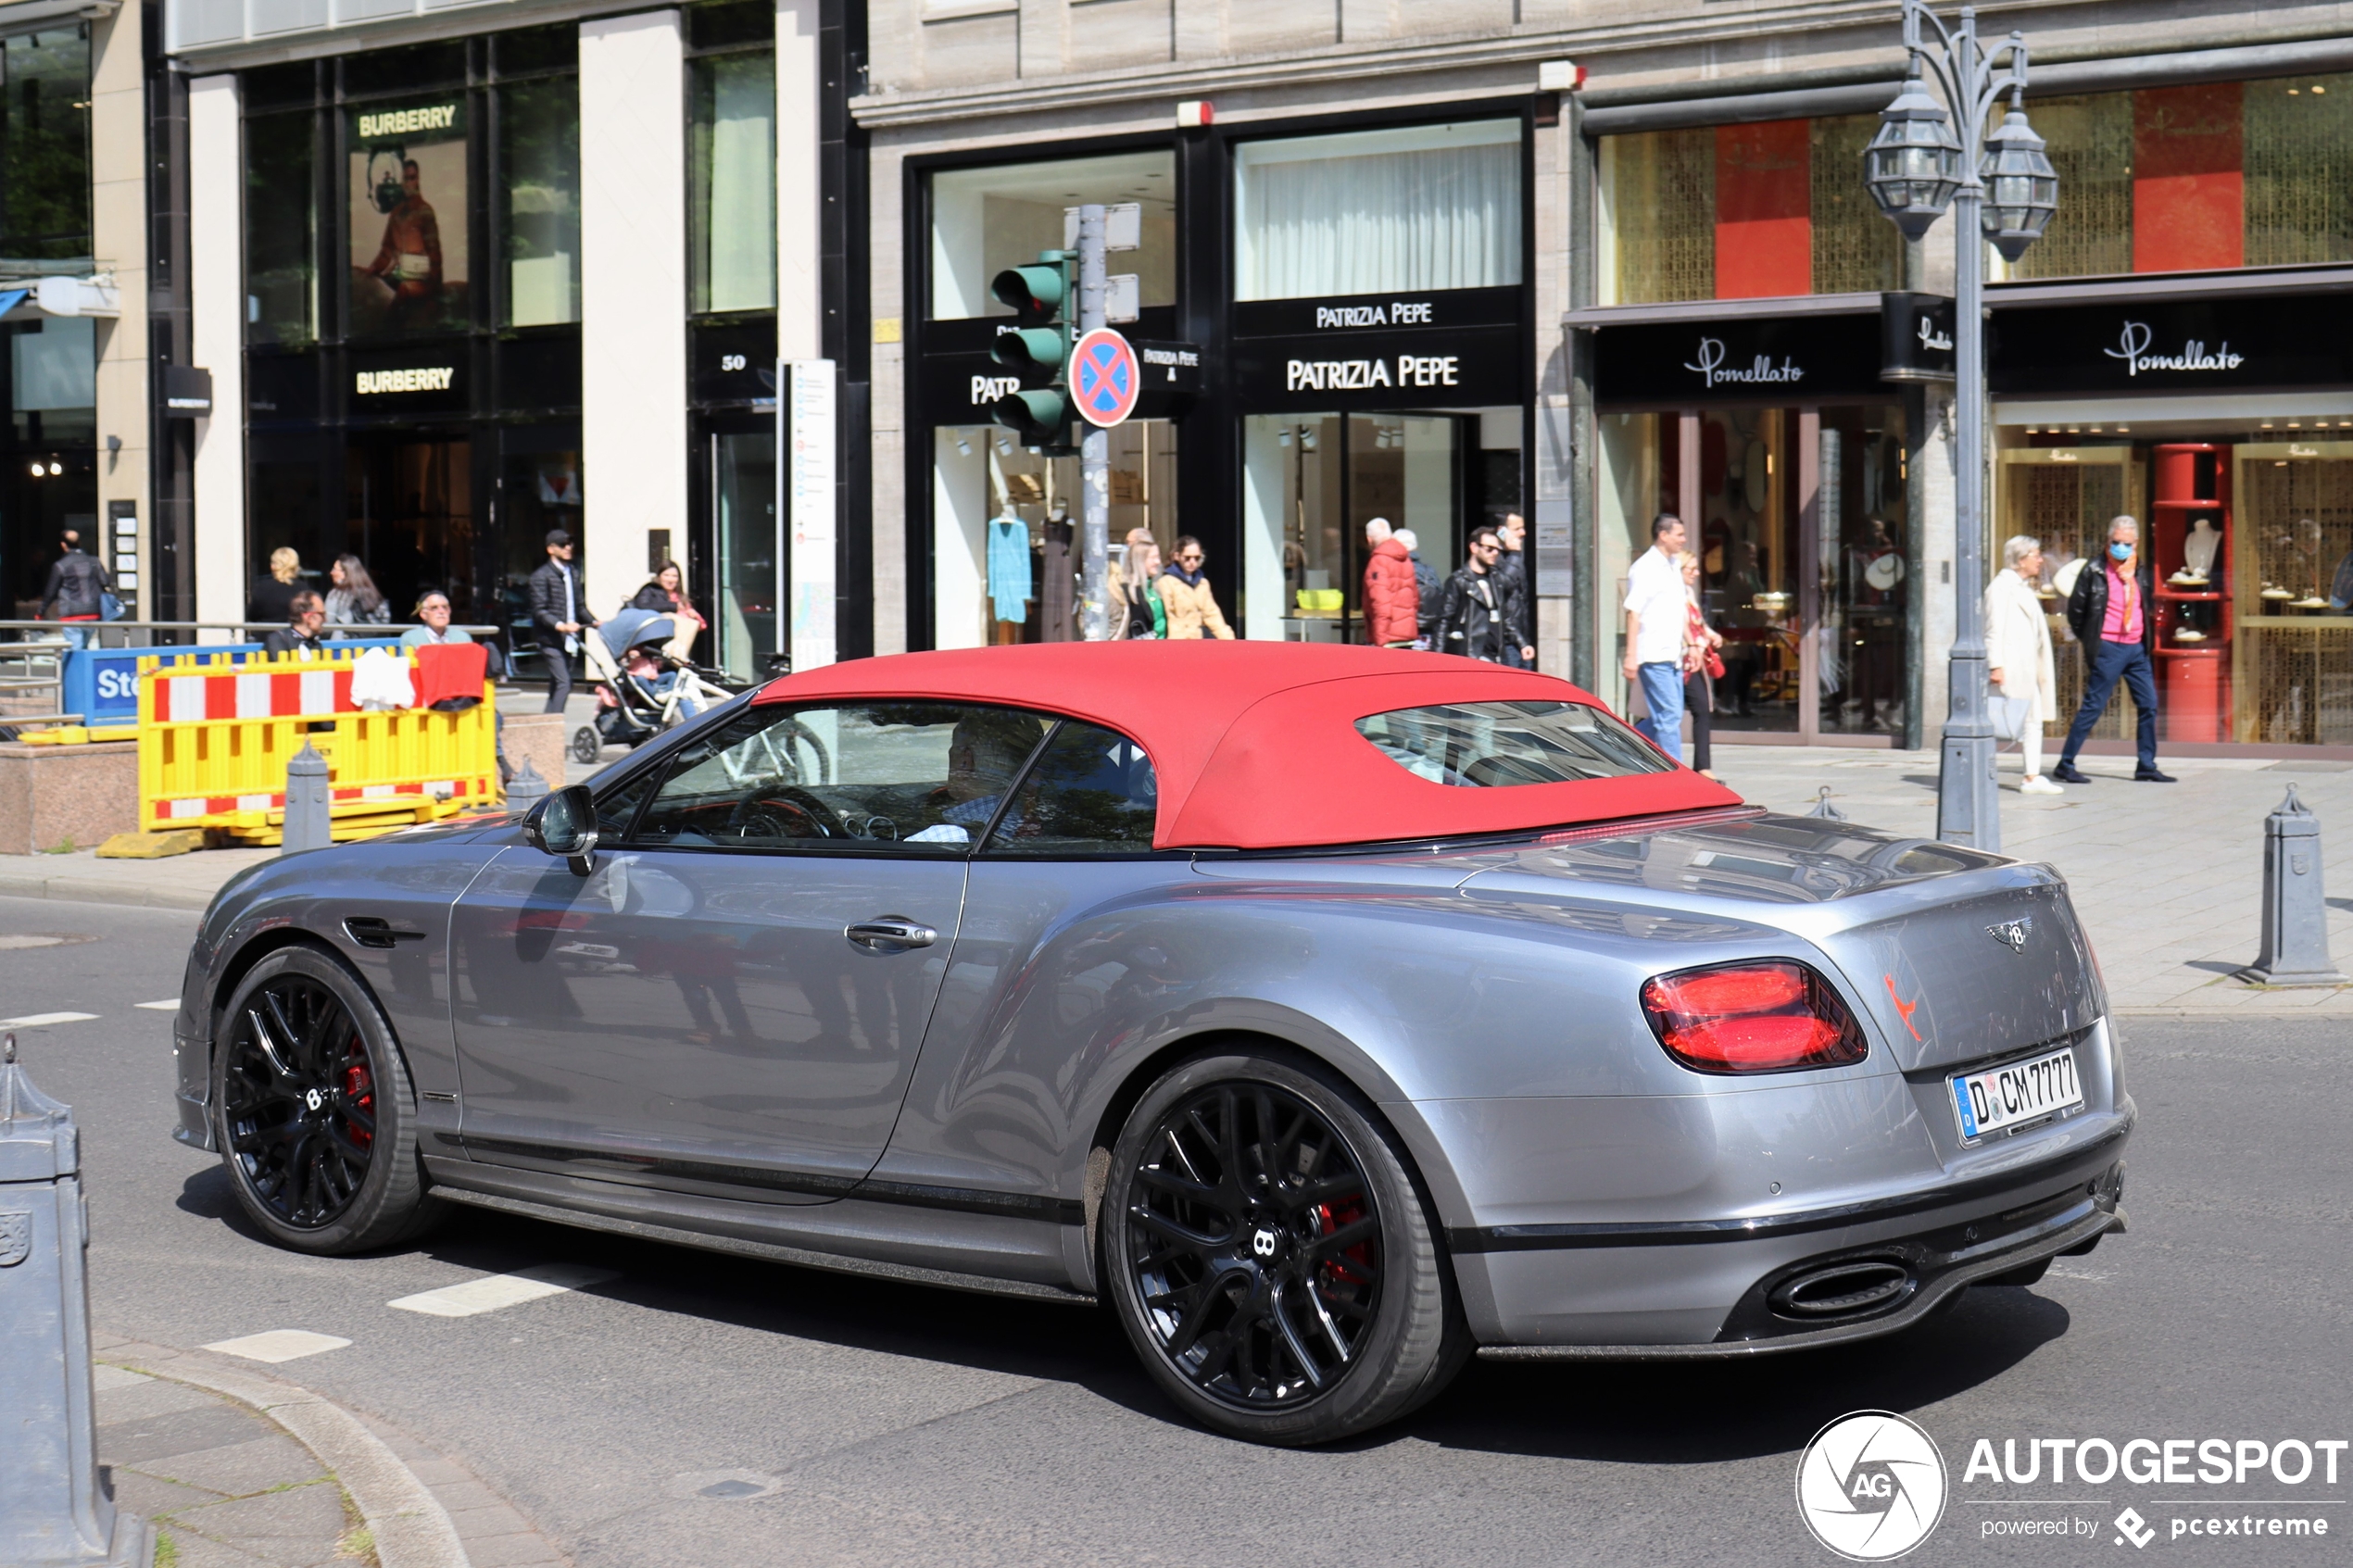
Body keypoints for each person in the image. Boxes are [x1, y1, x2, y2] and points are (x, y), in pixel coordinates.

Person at [2056, 515, 2172, 784]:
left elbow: (2145, 604)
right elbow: (2076, 611)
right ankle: (2066, 763)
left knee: (2149, 705)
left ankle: (2146, 765)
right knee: (2094, 706)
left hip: (2136, 648)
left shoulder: (2139, 570)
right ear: (2108, 541)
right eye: (2116, 542)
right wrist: (2093, 641)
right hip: (2108, 647)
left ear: (2136, 543)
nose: (2121, 547)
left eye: (2127, 543)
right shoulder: (2094, 570)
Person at [1985, 534, 2063, 796]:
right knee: (2001, 723)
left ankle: (2032, 775)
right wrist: (1995, 665)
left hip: (2028, 667)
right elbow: (1992, 630)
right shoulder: (2000, 588)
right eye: (2036, 555)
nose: (2041, 560)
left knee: (2032, 722)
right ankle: (1985, 772)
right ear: (2020, 560)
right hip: (2012, 668)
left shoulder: (2023, 586)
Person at [1623, 512, 1691, 763]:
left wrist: (1691, 644)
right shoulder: (1645, 567)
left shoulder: (1673, 565)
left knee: (1667, 716)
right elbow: (1633, 613)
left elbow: (1679, 610)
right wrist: (1631, 656)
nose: (1683, 540)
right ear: (1663, 535)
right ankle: (1677, 773)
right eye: (1679, 534)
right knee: (1670, 715)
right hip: (1652, 653)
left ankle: (1624, 747)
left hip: (1672, 654)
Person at [363, 159, 445, 332]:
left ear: (418, 179)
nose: (408, 183)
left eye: (412, 178)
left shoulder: (425, 211)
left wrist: (434, 286)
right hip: (402, 272)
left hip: (421, 278)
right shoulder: (396, 214)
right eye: (405, 179)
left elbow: (434, 252)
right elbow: (387, 250)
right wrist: (373, 270)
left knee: (397, 306)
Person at [529, 529, 597, 714]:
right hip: (550, 640)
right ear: (551, 549)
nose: (568, 547)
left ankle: (546, 725)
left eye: (570, 543)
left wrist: (595, 622)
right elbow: (540, 611)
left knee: (557, 685)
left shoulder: (572, 572)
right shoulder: (540, 576)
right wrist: (561, 626)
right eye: (563, 544)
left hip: (570, 639)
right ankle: (554, 727)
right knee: (564, 683)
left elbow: (580, 606)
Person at [1435, 526, 1510, 663]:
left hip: (1497, 656)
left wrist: (1522, 643)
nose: (1494, 553)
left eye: (1497, 550)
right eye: (1489, 549)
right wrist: (1437, 659)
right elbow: (1444, 621)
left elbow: (1506, 615)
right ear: (1474, 547)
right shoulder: (1459, 580)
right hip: (1472, 654)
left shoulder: (1497, 579)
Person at [1680, 549, 1724, 781]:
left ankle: (1703, 766)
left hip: (1690, 661)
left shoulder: (1687, 593)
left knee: (1701, 708)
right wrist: (1694, 644)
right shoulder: (1672, 593)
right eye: (1692, 569)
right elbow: (1680, 624)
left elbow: (1697, 623)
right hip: (1677, 659)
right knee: (1665, 715)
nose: (1697, 573)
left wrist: (1710, 634)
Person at [39, 529, 111, 648]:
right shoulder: (94, 561)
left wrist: (40, 612)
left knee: (75, 651)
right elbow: (105, 581)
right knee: (85, 650)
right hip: (93, 612)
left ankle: (74, 667)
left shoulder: (61, 565)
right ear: (80, 543)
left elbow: (51, 591)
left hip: (71, 613)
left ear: (63, 545)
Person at [1158, 536, 1234, 639]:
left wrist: (1228, 639)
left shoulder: (1202, 583)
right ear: (1177, 556)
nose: (1192, 562)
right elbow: (1170, 617)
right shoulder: (1166, 582)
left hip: (1198, 639)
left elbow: (1212, 614)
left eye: (1196, 558)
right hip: (1178, 640)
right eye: (1187, 558)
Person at [1363, 518, 1419, 648]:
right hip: (1407, 635)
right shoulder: (1405, 559)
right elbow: (1414, 600)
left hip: (1388, 639)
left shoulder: (1378, 561)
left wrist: (1380, 641)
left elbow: (1381, 603)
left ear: (1369, 539)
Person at [1493, 513, 1537, 668]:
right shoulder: (1494, 558)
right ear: (1501, 531)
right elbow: (1505, 585)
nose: (1523, 533)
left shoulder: (1514, 558)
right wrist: (1514, 553)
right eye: (1517, 528)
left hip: (1520, 641)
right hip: (1506, 644)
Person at [1110, 529, 1164, 639]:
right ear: (1141, 561)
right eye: (1153, 558)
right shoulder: (1127, 591)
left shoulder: (1157, 587)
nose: (1158, 562)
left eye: (1158, 557)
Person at [1394, 527, 1441, 648]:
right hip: (1428, 630)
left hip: (1404, 632)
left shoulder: (1396, 570)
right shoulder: (1429, 570)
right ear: (1415, 547)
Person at [322, 554, 389, 633]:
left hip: (345, 644)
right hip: (375, 644)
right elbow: (385, 620)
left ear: (345, 573)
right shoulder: (373, 594)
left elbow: (327, 627)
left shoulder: (336, 594)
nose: (331, 573)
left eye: (334, 569)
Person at [250, 546, 302, 626]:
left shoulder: (262, 588)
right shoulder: (304, 589)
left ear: (273, 566)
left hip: (265, 636)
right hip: (295, 636)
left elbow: (252, 615)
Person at [400, 590, 473, 646]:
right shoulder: (411, 639)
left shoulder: (463, 638)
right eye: (434, 608)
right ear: (423, 614)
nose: (441, 611)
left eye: (444, 607)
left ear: (449, 611)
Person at [264, 592, 328, 655]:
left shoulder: (315, 644)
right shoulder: (278, 640)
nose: (325, 620)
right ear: (309, 618)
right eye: (322, 615)